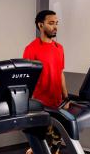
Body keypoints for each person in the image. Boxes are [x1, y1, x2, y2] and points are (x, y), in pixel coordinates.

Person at [23, 10, 69, 154]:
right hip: (40, 105)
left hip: (57, 104)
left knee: (55, 145)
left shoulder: (59, 48)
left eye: (56, 23)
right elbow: (27, 79)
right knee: (44, 145)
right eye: (51, 23)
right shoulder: (31, 49)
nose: (55, 26)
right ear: (40, 25)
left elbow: (60, 73)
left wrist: (66, 97)